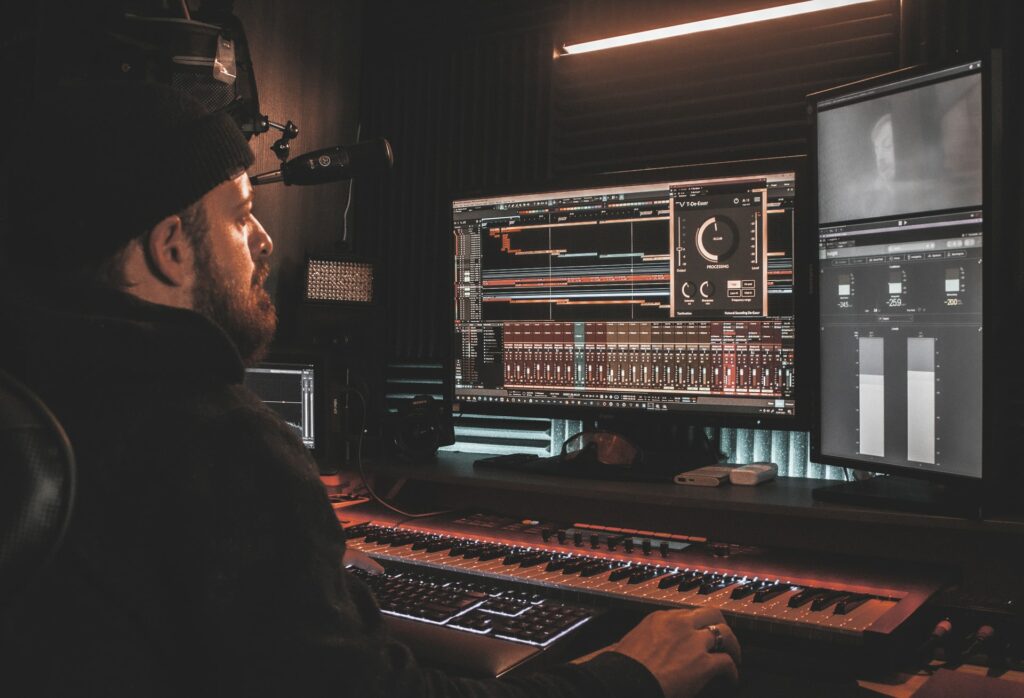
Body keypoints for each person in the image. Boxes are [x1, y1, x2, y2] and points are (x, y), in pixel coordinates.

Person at [0, 82, 740, 697]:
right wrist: (626, 677)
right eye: (240, 215)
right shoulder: (209, 438)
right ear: (168, 248)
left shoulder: (40, 399)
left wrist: (310, 579)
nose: (262, 242)